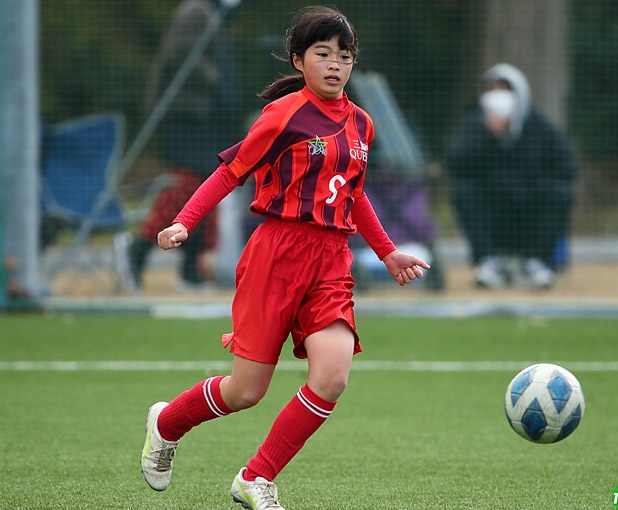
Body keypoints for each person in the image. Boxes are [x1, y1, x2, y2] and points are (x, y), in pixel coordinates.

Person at [140, 6, 430, 509]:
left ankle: (256, 477)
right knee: (245, 392)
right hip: (276, 255)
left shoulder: (362, 124)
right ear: (299, 60)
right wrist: (185, 220)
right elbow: (231, 172)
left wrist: (387, 252)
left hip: (331, 260)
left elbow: (355, 194)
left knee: (332, 376)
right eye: (323, 54)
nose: (335, 64)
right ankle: (166, 423)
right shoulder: (283, 114)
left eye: (345, 56)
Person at [121, 0, 241, 291]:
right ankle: (138, 250)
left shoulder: (210, 13)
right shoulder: (196, 11)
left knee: (203, 188)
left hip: (202, 120)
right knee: (185, 185)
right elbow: (182, 53)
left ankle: (190, 269)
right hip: (186, 118)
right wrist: (218, 80)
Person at [446, 63, 577, 290]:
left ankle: (536, 262)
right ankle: (488, 262)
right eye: (492, 90)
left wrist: (532, 184)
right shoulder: (474, 125)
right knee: (464, 192)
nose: (498, 97)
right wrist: (487, 136)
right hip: (491, 212)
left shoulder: (538, 126)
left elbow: (567, 167)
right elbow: (456, 164)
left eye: (505, 90)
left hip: (529, 212)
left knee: (560, 193)